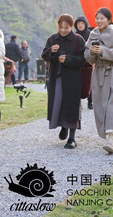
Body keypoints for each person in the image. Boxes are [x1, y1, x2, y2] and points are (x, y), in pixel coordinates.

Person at [84, 7, 113, 154]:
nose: (99, 21)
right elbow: (87, 57)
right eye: (97, 18)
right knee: (101, 105)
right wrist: (91, 52)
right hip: (99, 73)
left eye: (102, 18)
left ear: (109, 19)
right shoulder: (93, 34)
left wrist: (103, 51)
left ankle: (111, 138)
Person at [41, 14, 86, 149]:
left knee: (72, 105)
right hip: (56, 77)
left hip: (72, 78)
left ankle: (71, 138)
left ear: (71, 26)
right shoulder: (52, 39)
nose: (63, 30)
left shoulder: (78, 40)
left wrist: (67, 59)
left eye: (66, 28)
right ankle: (63, 127)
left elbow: (83, 59)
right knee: (58, 103)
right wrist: (51, 51)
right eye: (61, 27)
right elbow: (44, 55)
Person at [75, 16, 93, 109]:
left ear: (85, 24)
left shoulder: (90, 35)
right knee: (77, 83)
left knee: (89, 83)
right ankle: (78, 103)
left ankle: (90, 102)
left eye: (82, 23)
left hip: (88, 61)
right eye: (78, 24)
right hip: (77, 62)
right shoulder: (75, 35)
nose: (80, 25)